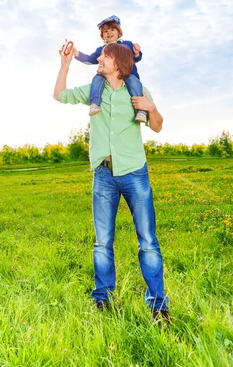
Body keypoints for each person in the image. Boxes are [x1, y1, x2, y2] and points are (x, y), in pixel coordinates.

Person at [53, 42, 170, 325]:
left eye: (104, 56)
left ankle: (158, 305)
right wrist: (65, 65)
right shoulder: (95, 90)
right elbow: (59, 95)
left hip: (134, 172)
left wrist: (150, 107)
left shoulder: (137, 90)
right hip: (103, 175)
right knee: (102, 243)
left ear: (118, 63)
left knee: (148, 243)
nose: (99, 59)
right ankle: (103, 299)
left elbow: (157, 126)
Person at [73, 15, 147, 122]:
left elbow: (136, 58)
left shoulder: (127, 45)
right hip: (108, 76)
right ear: (102, 36)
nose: (109, 32)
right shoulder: (102, 49)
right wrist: (76, 53)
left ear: (119, 32)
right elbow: (90, 59)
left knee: (134, 82)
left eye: (112, 29)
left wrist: (136, 53)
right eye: (106, 31)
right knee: (97, 79)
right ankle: (95, 103)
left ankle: (141, 110)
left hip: (127, 72)